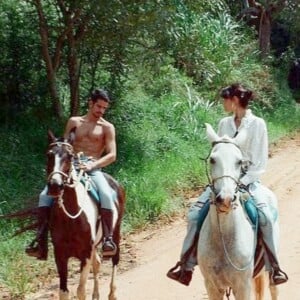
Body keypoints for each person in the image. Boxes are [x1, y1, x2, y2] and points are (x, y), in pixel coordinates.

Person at [167, 83, 288, 286]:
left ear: (234, 101)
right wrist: (223, 182)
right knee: (195, 214)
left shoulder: (258, 124)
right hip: (222, 182)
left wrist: (239, 183)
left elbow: (259, 163)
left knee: (265, 217)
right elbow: (220, 157)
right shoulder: (224, 124)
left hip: (249, 182)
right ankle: (185, 265)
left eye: (225, 99)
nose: (223, 103)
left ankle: (274, 268)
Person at [25, 88, 118, 260]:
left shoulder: (107, 127)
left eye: (104, 108)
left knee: (106, 194)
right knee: (44, 196)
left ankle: (107, 239)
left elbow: (112, 155)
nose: (101, 111)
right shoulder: (74, 122)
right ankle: (40, 241)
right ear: (90, 103)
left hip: (93, 168)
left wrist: (93, 164)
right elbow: (64, 146)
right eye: (98, 106)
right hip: (70, 168)